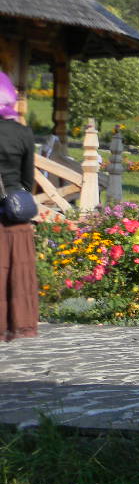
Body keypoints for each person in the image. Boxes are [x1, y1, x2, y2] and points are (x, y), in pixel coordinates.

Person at [0, 71, 38, 341]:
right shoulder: (22, 132)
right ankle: (19, 322)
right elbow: (28, 179)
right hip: (15, 215)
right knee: (19, 272)